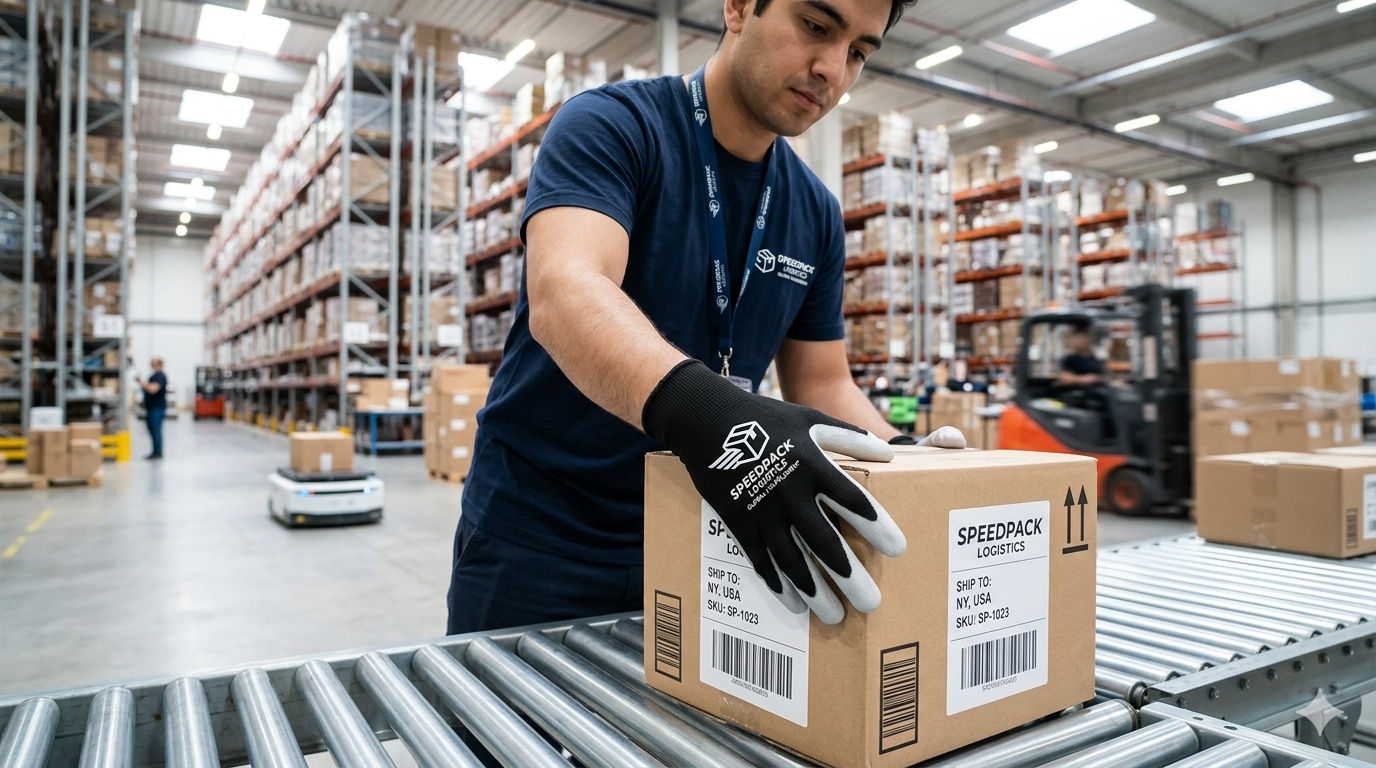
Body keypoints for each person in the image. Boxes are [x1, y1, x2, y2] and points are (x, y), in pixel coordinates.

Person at [449, 0, 961, 644]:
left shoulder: (815, 211)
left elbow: (824, 384)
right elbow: (567, 289)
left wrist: (899, 459)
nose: (832, 69)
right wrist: (710, 414)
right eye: (815, 26)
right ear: (740, 6)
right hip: (542, 538)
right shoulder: (612, 126)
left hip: (713, 534)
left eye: (858, 52)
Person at [136, 358, 168, 460]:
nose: (151, 364)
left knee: (155, 429)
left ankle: (158, 453)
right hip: (151, 407)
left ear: (159, 364)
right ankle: (155, 451)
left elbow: (152, 389)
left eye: (153, 362)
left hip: (157, 408)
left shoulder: (160, 376)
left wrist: (141, 382)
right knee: (151, 429)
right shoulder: (153, 376)